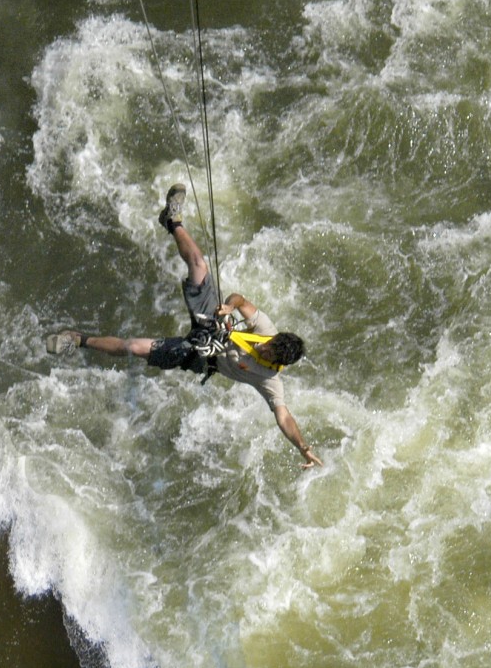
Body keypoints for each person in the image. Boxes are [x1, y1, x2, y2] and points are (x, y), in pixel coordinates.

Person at [47, 184, 323, 469]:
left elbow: (284, 417)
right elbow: (241, 300)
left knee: (134, 347)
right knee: (199, 264)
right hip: (215, 324)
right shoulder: (266, 330)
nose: (263, 348)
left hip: (200, 357)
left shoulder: (270, 381)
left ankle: (78, 339)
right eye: (267, 344)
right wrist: (228, 307)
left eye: (267, 353)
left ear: (276, 364)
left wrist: (302, 447)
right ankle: (172, 220)